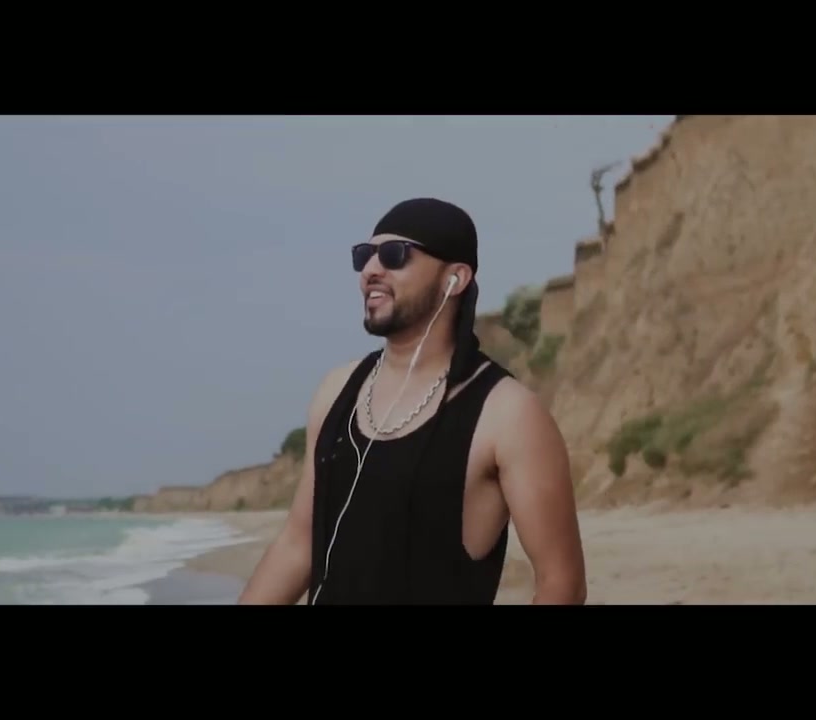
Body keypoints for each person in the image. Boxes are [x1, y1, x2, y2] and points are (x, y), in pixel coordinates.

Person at [237, 197, 586, 605]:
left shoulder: (505, 413)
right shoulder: (337, 390)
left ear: (455, 278)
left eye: (394, 254)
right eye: (364, 256)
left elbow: (562, 584)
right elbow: (298, 545)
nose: (370, 270)